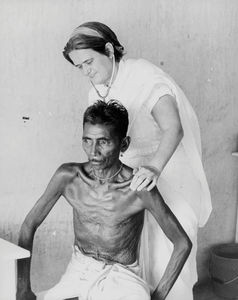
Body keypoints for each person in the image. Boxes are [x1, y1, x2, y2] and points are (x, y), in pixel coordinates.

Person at [62, 21, 212, 300]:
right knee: (138, 262)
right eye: (79, 67)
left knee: (165, 255)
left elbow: (173, 128)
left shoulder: (145, 75)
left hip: (166, 172)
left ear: (108, 50)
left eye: (89, 62)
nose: (86, 71)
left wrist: (153, 168)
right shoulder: (95, 91)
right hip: (132, 180)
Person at [17, 100, 191, 300]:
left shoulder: (138, 187)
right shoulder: (68, 177)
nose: (93, 151)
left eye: (103, 142)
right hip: (79, 270)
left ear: (123, 144)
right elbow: (29, 224)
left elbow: (182, 243)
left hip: (122, 277)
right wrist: (22, 288)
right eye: (87, 140)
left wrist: (158, 297)